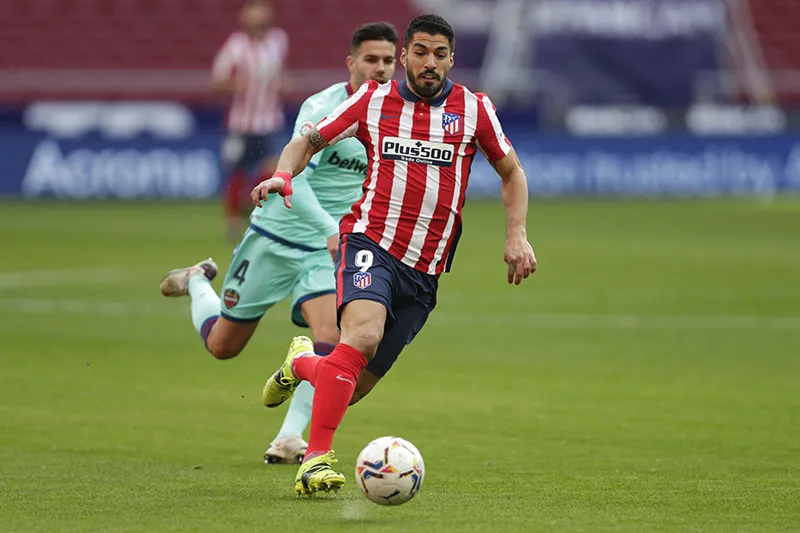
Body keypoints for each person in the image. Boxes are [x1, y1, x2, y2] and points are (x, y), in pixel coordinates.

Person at [255, 14, 538, 497]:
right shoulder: (372, 99)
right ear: (404, 56)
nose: (430, 63)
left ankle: (302, 363)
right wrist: (285, 174)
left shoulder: (474, 109)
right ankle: (315, 458)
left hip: (425, 270)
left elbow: (511, 173)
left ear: (452, 58)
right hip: (370, 243)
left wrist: (518, 235)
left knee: (351, 386)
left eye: (440, 54)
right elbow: (308, 140)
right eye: (421, 52)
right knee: (361, 335)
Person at [160, 22, 400, 464]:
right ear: (352, 63)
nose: (380, 69)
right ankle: (196, 282)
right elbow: (295, 176)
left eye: (388, 61)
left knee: (332, 339)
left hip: (329, 247)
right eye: (371, 60)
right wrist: (330, 225)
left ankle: (289, 438)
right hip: (278, 233)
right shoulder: (325, 106)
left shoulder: (396, 113)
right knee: (223, 346)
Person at [211, 0, 289, 241]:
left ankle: (256, 212)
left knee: (271, 168)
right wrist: (237, 84)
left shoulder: (278, 40)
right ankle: (232, 220)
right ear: (245, 16)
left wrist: (283, 83)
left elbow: (281, 73)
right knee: (237, 171)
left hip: (270, 120)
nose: (259, 16)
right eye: (254, 11)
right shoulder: (236, 45)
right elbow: (217, 81)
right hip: (241, 123)